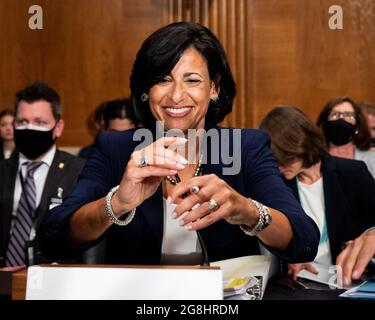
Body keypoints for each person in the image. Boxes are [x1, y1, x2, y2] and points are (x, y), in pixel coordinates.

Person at [39, 22, 319, 267]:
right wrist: (118, 202)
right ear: (147, 91)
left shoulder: (245, 147)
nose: (176, 96)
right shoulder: (115, 148)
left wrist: (244, 209)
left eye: (193, 80)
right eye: (162, 80)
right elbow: (54, 238)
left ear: (214, 88)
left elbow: (304, 240)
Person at [259, 106, 375, 286]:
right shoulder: (276, 185)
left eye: (283, 157)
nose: (278, 166)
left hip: (349, 282)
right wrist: (289, 259)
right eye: (273, 159)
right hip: (301, 285)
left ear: (299, 143)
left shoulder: (352, 173)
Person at [0, 81, 85, 268]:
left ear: (58, 127)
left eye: (40, 122)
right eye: (22, 121)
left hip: (55, 278)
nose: (29, 128)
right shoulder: (3, 169)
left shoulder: (80, 171)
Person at [317, 96, 375, 178]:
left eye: (349, 115)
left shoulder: (372, 157)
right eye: (334, 114)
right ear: (325, 123)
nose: (341, 118)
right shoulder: (314, 156)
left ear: (358, 125)